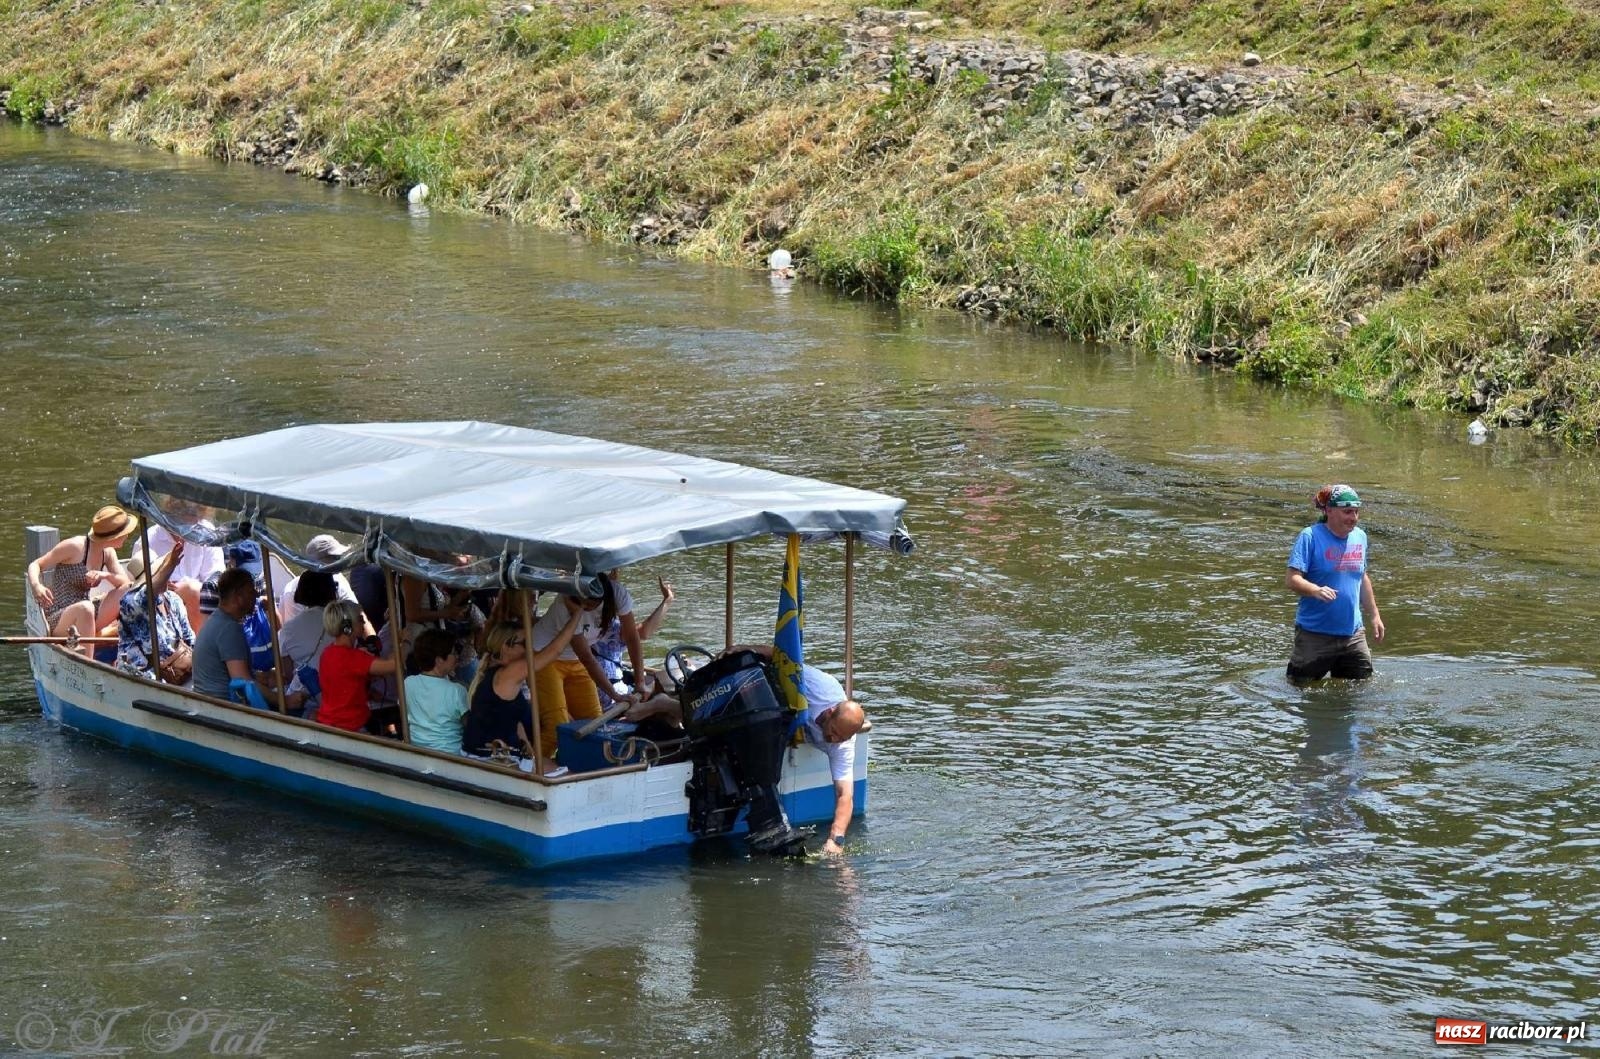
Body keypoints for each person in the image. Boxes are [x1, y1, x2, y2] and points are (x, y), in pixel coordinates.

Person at [723, 644, 866, 855]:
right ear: (830, 711)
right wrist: (743, 649)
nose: (833, 740)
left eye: (840, 738)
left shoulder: (842, 744)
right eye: (833, 731)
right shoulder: (820, 686)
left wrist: (836, 840)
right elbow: (782, 658)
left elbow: (845, 795)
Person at [1285, 483, 1386, 682]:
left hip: (1353, 635)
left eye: (1356, 512)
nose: (1353, 518)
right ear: (1329, 510)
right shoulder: (1310, 536)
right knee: (1299, 689)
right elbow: (1291, 579)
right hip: (1315, 635)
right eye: (1347, 512)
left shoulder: (1360, 537)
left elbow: (1362, 577)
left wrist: (1374, 615)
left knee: (1360, 689)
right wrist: (1315, 590)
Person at [463, 609, 582, 772]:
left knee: (556, 766)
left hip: (491, 752)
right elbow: (555, 650)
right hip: (491, 758)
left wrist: (531, 754)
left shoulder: (494, 670)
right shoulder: (510, 672)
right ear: (506, 646)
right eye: (525, 644)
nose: (529, 649)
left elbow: (513, 720)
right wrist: (577, 614)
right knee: (567, 773)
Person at [26, 505, 138, 651]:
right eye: (125, 533)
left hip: (88, 611)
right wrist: (37, 586)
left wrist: (105, 575)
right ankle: (89, 660)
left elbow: (125, 584)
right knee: (86, 608)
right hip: (60, 617)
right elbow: (35, 564)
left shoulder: (108, 553)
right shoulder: (74, 547)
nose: (127, 536)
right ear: (113, 537)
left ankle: (93, 635)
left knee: (127, 590)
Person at [529, 587, 614, 758]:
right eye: (583, 603)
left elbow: (635, 634)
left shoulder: (615, 596)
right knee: (556, 726)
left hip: (575, 661)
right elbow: (587, 657)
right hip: (544, 658)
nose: (587, 606)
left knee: (596, 723)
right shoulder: (564, 604)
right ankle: (531, 766)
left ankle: (588, 763)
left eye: (591, 603)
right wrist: (615, 694)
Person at [192, 567, 283, 703]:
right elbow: (244, 682)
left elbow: (233, 672)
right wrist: (284, 701)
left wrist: (260, 675)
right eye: (251, 591)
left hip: (210, 700)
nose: (256, 595)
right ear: (238, 597)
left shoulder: (218, 619)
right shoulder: (229, 629)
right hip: (222, 706)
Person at [115, 540, 196, 683]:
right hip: (141, 676)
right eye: (161, 573)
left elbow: (190, 640)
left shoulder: (173, 599)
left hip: (178, 672)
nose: (167, 578)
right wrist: (170, 564)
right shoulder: (130, 601)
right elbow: (148, 594)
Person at [317, 600, 401, 735]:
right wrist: (403, 641)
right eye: (360, 619)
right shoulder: (352, 657)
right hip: (350, 727)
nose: (363, 623)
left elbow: (342, 683)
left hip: (329, 723)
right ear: (347, 627)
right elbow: (394, 665)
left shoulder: (327, 653)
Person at [590, 573, 675, 702]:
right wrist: (668, 600)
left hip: (599, 688)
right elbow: (644, 632)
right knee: (667, 680)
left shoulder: (583, 621)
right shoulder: (612, 629)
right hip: (612, 694)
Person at [403, 628, 469, 754]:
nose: (457, 657)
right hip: (451, 755)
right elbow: (469, 725)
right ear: (439, 660)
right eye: (454, 653)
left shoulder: (408, 683)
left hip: (416, 751)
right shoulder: (456, 690)